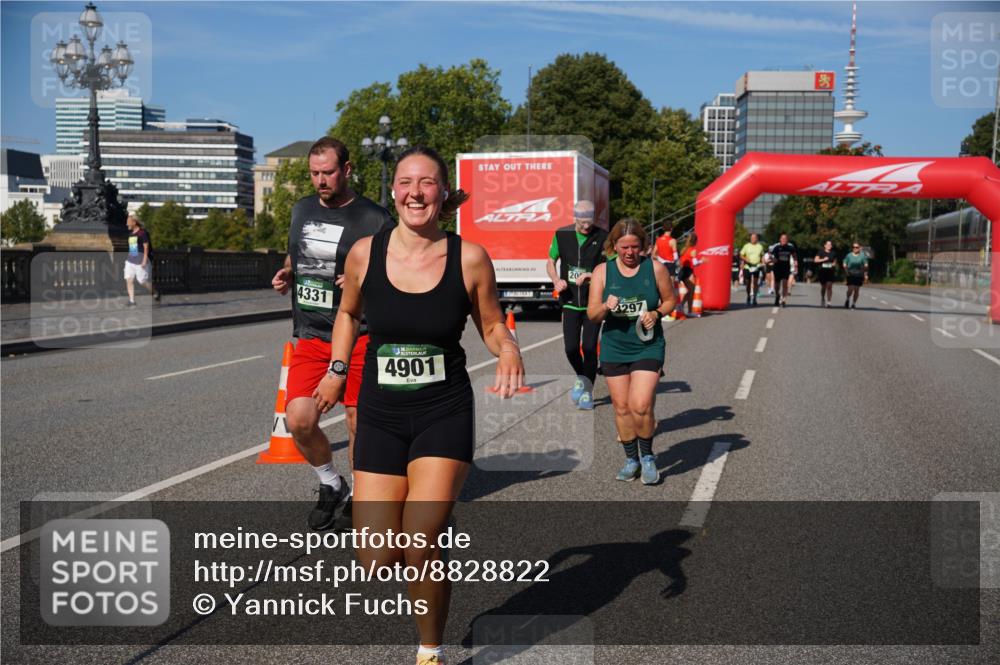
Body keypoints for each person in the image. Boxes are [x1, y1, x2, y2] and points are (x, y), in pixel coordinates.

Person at [314, 145, 524, 665]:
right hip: (381, 415)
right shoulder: (365, 252)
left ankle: (430, 651)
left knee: (420, 542)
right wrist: (338, 371)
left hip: (443, 411)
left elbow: (492, 323)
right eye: (406, 182)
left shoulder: (469, 257)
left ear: (443, 193)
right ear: (393, 191)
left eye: (427, 183)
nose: (415, 192)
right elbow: (347, 314)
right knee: (376, 557)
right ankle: (428, 534)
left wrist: (510, 347)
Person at [271, 137, 393, 531]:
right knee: (299, 419)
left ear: (347, 170)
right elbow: (297, 251)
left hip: (361, 333)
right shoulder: (302, 208)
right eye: (314, 173)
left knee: (358, 420)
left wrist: (366, 278)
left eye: (328, 172)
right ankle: (330, 482)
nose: (320, 180)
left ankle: (359, 493)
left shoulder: (374, 219)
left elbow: (397, 266)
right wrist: (289, 271)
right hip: (311, 332)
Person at [587, 219, 676, 485]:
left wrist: (656, 312)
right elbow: (592, 315)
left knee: (640, 404)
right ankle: (631, 459)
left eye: (635, 247)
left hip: (648, 344)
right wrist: (605, 306)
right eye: (624, 247)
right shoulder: (603, 272)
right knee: (622, 408)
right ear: (614, 246)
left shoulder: (655, 269)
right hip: (614, 346)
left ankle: (648, 457)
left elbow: (671, 299)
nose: (629, 253)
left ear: (643, 247)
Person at [546, 200, 608, 410]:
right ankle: (582, 377)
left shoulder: (602, 236)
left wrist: (592, 274)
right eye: (582, 223)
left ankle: (587, 392)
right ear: (575, 218)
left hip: (593, 302)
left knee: (589, 348)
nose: (586, 227)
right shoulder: (562, 235)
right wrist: (556, 280)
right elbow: (550, 261)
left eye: (589, 222)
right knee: (571, 348)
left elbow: (612, 265)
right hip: (571, 301)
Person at [123, 214, 160, 306]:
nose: (127, 224)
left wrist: (144, 260)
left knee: (142, 281)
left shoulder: (143, 233)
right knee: (129, 279)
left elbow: (146, 247)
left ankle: (155, 292)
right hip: (131, 260)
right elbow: (132, 248)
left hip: (141, 260)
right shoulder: (130, 234)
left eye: (128, 222)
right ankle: (132, 301)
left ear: (134, 222)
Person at [768, 233, 798, 307]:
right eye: (782, 238)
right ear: (780, 239)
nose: (784, 240)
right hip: (777, 268)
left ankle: (784, 299)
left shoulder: (790, 248)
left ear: (787, 240)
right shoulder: (777, 247)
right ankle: (777, 295)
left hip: (786, 268)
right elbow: (770, 255)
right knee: (777, 285)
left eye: (785, 238)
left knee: (785, 283)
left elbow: (794, 255)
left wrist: (796, 263)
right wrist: (773, 259)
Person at [677, 233, 702, 315]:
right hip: (688, 271)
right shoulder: (693, 250)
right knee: (692, 291)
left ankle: (681, 305)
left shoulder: (684, 249)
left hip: (682, 271)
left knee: (690, 290)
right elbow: (695, 263)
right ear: (696, 241)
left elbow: (680, 261)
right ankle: (689, 311)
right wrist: (702, 261)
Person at [739, 232, 765, 306]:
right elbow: (741, 255)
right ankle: (748, 296)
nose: (753, 239)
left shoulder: (760, 246)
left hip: (756, 266)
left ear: (757, 239)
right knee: (748, 283)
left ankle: (754, 298)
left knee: (755, 283)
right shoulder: (746, 246)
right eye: (752, 238)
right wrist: (745, 259)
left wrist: (763, 263)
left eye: (754, 238)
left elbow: (762, 255)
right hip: (748, 266)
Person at [843, 242, 869, 309]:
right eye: (853, 247)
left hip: (859, 274)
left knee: (856, 290)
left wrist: (866, 274)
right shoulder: (849, 255)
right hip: (850, 273)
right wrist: (846, 272)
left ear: (859, 248)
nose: (855, 248)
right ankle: (847, 299)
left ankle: (853, 303)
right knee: (850, 289)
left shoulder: (862, 256)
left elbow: (866, 265)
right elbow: (844, 264)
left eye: (856, 247)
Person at [814, 240, 837, 307]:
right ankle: (823, 298)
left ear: (831, 246)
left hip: (830, 272)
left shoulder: (833, 253)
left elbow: (835, 261)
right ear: (825, 245)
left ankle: (829, 302)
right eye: (828, 244)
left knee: (829, 287)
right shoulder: (821, 252)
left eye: (830, 245)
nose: (829, 246)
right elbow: (815, 260)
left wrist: (833, 264)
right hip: (822, 272)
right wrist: (823, 259)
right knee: (823, 287)